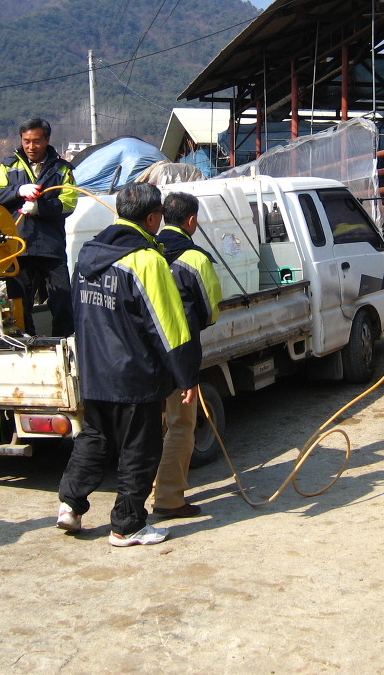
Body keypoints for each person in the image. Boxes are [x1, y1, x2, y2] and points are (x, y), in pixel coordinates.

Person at [57, 182, 199, 547]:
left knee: (94, 438)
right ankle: (128, 525)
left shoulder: (88, 254)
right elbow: (168, 326)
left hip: (94, 370)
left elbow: (78, 314)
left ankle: (70, 505)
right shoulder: (147, 261)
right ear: (152, 218)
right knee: (140, 449)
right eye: (158, 217)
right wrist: (185, 375)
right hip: (134, 375)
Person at [151, 191, 223, 520]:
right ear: (191, 220)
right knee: (180, 425)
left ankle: (148, 489)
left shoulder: (145, 250)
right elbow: (210, 311)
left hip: (144, 354)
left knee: (151, 426)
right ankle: (168, 498)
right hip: (180, 354)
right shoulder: (195, 258)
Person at [0, 117, 76, 337]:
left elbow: (69, 202)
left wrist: (40, 208)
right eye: (26, 141)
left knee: (63, 299)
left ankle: (62, 341)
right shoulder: (9, 166)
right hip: (18, 247)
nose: (31, 146)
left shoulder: (62, 170)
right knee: (19, 301)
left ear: (47, 140)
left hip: (50, 247)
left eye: (36, 141)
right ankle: (25, 341)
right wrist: (17, 191)